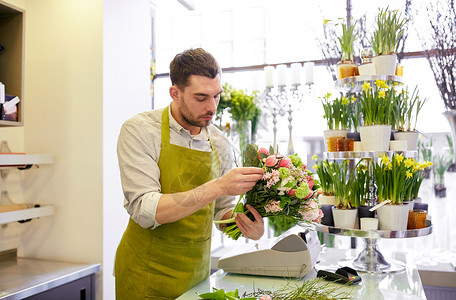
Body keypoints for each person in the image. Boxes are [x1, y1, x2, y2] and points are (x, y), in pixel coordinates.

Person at [114, 48, 265, 299]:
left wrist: (245, 226)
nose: (212, 107)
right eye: (201, 97)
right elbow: (145, 210)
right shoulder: (140, 130)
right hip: (145, 275)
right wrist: (218, 185)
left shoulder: (219, 141)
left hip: (196, 274)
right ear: (175, 93)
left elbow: (220, 210)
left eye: (216, 96)